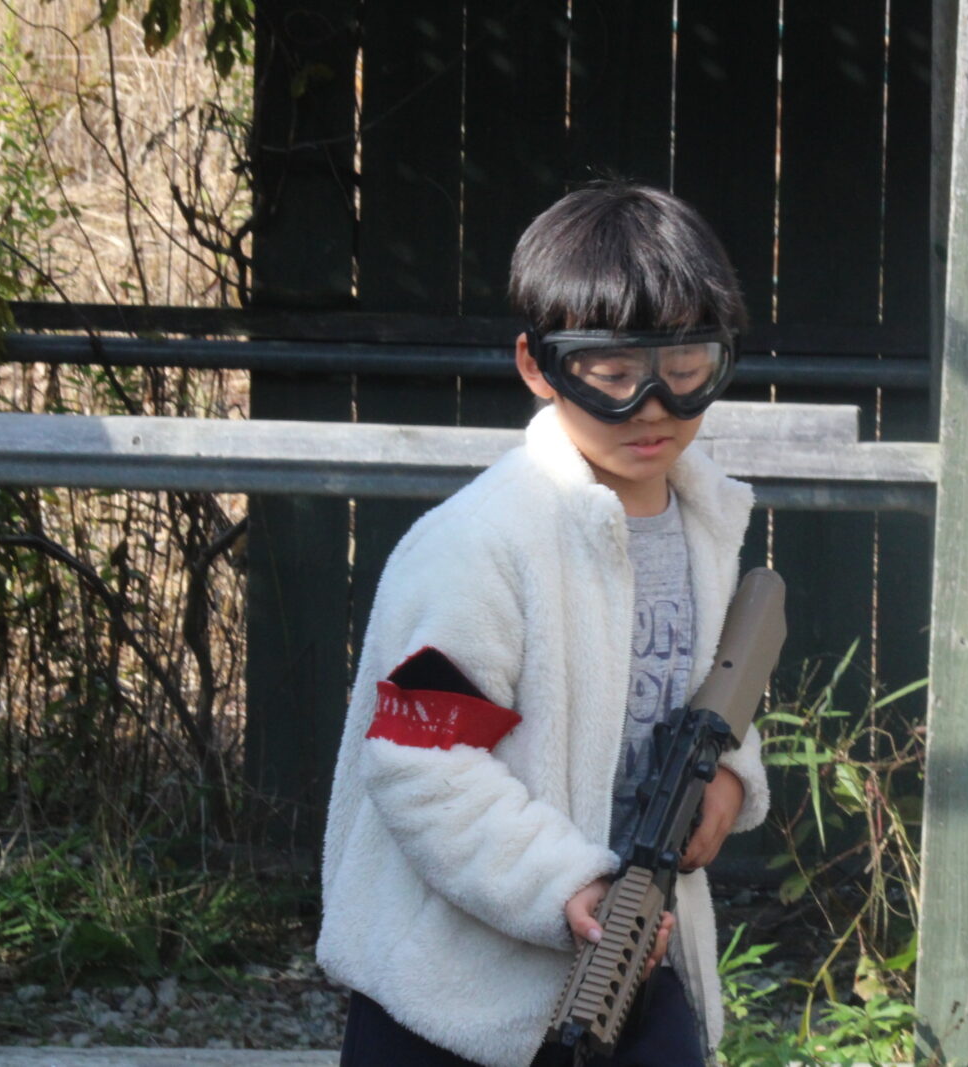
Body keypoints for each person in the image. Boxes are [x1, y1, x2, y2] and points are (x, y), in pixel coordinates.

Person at [317, 181, 771, 1067]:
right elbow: (421, 759)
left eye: (686, 369)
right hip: (450, 992)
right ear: (537, 365)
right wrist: (561, 881)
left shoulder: (703, 523)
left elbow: (702, 690)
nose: (652, 404)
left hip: (631, 962)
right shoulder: (480, 544)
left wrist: (728, 776)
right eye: (612, 374)